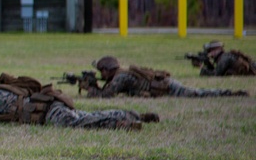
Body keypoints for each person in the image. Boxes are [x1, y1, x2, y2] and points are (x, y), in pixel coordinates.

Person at [0, 73, 155, 130]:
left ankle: (122, 122)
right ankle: (132, 115)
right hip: (48, 106)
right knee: (84, 117)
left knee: (80, 123)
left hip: (48, 112)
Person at [83, 56, 248, 98]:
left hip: (167, 87)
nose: (101, 75)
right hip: (164, 85)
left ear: (107, 69)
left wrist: (91, 88)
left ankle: (230, 94)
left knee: (198, 94)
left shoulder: (120, 77)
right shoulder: (121, 73)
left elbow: (106, 95)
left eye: (101, 71)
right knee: (197, 93)